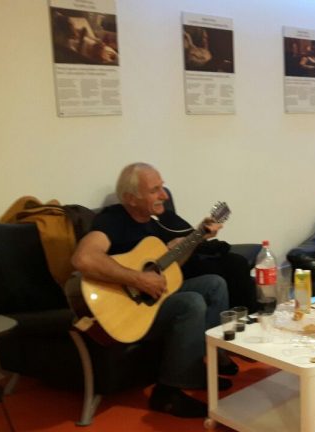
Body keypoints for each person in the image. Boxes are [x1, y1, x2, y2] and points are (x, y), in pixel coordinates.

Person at [71, 163, 233, 418]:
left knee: (215, 284)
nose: (164, 196)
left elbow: (169, 268)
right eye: (155, 190)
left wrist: (196, 238)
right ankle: (167, 393)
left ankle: (198, 366)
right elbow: (83, 258)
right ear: (130, 198)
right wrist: (138, 279)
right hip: (127, 311)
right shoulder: (112, 220)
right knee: (191, 302)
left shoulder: (156, 223)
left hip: (153, 300)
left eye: (162, 188)